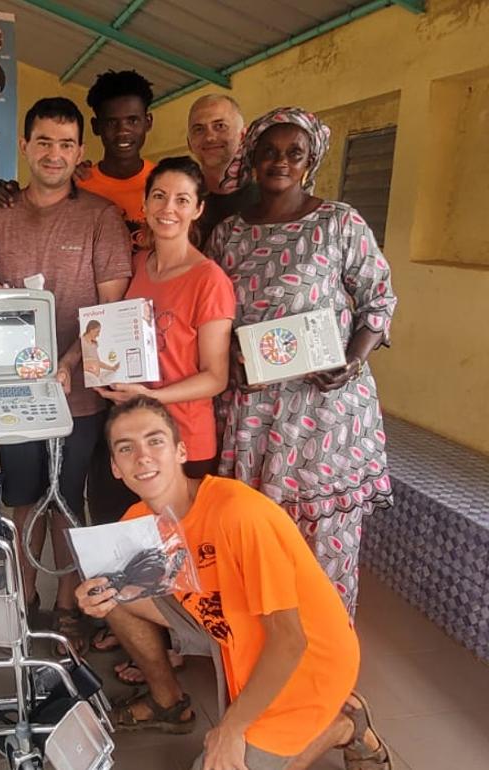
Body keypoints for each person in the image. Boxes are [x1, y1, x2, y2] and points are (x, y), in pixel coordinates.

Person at [74, 397, 392, 770]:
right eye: (126, 448)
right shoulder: (138, 520)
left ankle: (342, 724)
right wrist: (98, 598)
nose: (142, 457)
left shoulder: (238, 513)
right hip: (235, 628)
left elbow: (290, 641)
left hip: (308, 657)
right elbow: (117, 592)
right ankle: (167, 701)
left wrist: (230, 729)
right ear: (115, 467)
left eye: (155, 441)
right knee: (112, 587)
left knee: (219, 762)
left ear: (180, 450)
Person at [206, 107, 396, 616]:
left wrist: (353, 361)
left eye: (294, 152)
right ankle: (266, 653)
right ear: (250, 160)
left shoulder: (339, 222)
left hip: (324, 408)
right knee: (259, 536)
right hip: (252, 410)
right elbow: (213, 316)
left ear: (311, 160)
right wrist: (228, 359)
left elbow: (379, 301)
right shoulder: (228, 235)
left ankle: (329, 663)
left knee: (326, 541)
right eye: (268, 151)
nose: (280, 162)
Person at [0, 97, 132, 645]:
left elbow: (108, 313)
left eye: (66, 144)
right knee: (22, 501)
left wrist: (68, 363)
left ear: (79, 152)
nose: (54, 153)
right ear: (24, 145)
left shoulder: (100, 218)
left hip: (80, 394)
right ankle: (23, 599)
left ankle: (65, 604)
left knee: (68, 499)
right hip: (14, 394)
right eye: (43, 141)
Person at [96, 157, 234, 479]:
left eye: (182, 200)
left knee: (183, 530)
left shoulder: (209, 280)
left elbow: (215, 377)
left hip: (184, 440)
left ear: (197, 210)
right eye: (159, 195)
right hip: (134, 433)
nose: (168, 208)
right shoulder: (138, 264)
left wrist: (153, 396)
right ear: (144, 203)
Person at [80, 70, 157, 232]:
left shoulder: (163, 183)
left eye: (133, 120)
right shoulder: (78, 186)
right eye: (111, 122)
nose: (123, 131)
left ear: (148, 122)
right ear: (96, 126)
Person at [187, 94, 258, 244]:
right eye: (199, 129)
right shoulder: (181, 202)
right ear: (189, 143)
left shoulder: (268, 200)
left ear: (243, 136)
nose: (210, 137)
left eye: (220, 126)